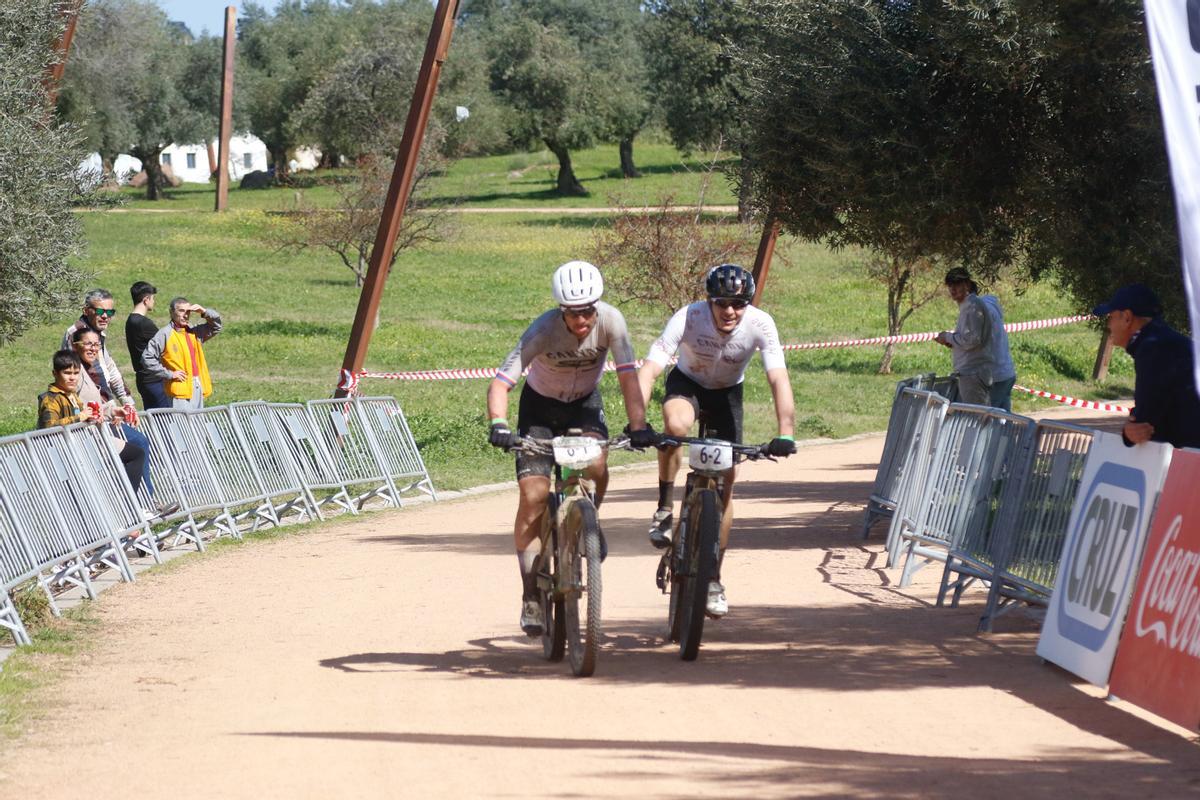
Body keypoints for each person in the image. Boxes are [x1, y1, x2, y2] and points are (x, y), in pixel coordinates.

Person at [486, 260, 656, 636]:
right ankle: (531, 595)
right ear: (561, 311)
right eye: (573, 314)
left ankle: (588, 521)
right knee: (533, 495)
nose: (582, 322)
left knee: (597, 462)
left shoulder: (612, 322)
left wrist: (639, 425)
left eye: (588, 312)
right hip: (539, 409)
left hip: (584, 403)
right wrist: (499, 423)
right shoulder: (543, 330)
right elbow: (501, 383)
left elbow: (628, 376)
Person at [636, 264, 797, 618]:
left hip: (726, 396)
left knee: (726, 487)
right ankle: (664, 508)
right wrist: (638, 421)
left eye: (738, 304)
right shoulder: (689, 316)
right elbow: (650, 367)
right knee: (676, 427)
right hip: (688, 384)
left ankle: (712, 578)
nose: (729, 311)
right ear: (709, 301)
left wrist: (786, 432)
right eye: (722, 303)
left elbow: (778, 378)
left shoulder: (761, 323)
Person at [1093, 283, 1200, 449]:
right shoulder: (1166, 340)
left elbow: (1145, 424)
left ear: (1127, 317)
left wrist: (1129, 432)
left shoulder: (1153, 347)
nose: (1108, 325)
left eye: (1111, 317)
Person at [38, 349, 148, 502]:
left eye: (76, 373)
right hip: (64, 454)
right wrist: (80, 417)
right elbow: (49, 427)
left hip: (83, 447)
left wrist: (108, 413)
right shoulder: (50, 399)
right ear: (55, 374)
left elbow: (86, 414)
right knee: (80, 498)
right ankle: (128, 507)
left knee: (136, 454)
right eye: (67, 373)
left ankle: (129, 504)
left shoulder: (72, 395)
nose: (72, 377)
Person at [73, 327, 156, 498]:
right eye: (88, 344)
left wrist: (116, 409)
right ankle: (137, 505)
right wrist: (87, 415)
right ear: (75, 346)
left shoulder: (90, 367)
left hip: (97, 430)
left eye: (96, 345)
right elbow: (70, 402)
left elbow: (98, 401)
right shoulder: (75, 371)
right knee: (137, 449)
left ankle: (139, 504)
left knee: (137, 450)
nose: (93, 348)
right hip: (84, 435)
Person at [934, 267, 1016, 411]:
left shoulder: (973, 308)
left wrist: (948, 337)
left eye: (957, 284)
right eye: (950, 285)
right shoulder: (984, 307)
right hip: (1003, 372)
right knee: (1001, 423)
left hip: (986, 374)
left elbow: (973, 340)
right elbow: (980, 340)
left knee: (980, 421)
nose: (953, 289)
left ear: (967, 285)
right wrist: (954, 343)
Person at [61, 288, 137, 411]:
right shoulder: (77, 333)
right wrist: (108, 405)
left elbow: (110, 368)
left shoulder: (96, 333)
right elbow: (88, 373)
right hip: (87, 407)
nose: (105, 316)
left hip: (102, 403)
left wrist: (126, 400)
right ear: (86, 311)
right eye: (100, 311)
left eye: (110, 312)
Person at [141, 297, 223, 410]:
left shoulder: (193, 331)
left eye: (188, 311)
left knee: (198, 425)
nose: (185, 315)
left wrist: (204, 312)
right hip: (179, 389)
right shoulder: (165, 334)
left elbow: (216, 326)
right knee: (181, 425)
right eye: (181, 311)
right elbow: (147, 358)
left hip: (197, 385)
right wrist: (170, 374)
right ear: (171, 312)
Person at [126, 281, 170, 410]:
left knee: (154, 420)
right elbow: (165, 345)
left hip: (143, 379)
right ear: (146, 299)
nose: (154, 302)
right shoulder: (144, 323)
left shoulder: (130, 321)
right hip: (154, 379)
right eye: (153, 298)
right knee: (165, 419)